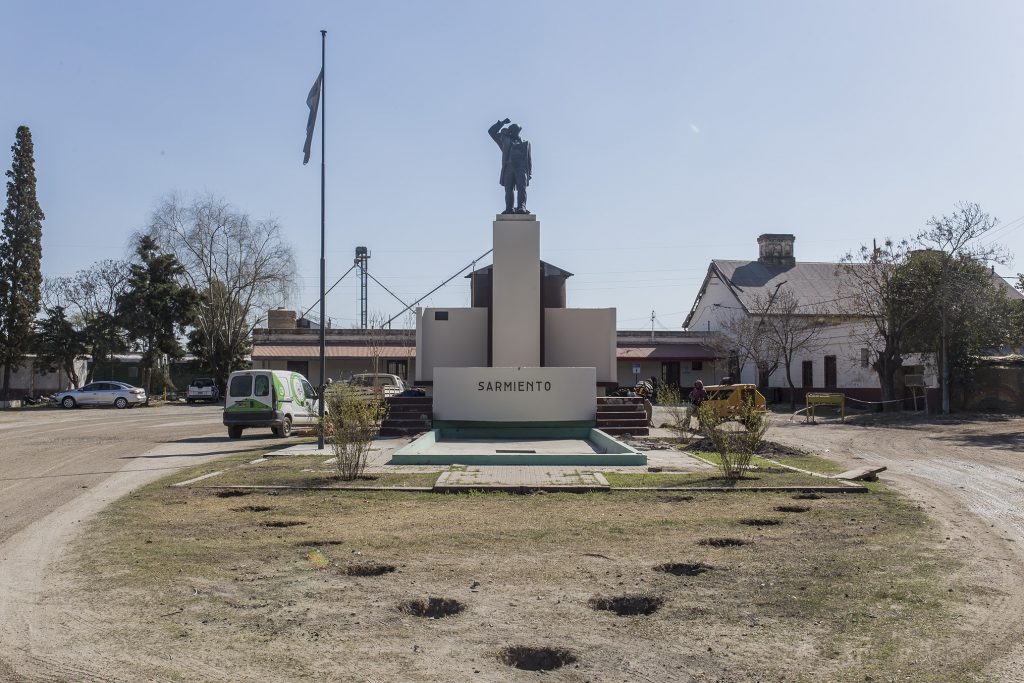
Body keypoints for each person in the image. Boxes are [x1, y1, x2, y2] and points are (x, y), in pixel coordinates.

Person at [487, 118, 532, 214]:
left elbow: (529, 159)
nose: (510, 131)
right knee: (508, 189)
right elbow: (491, 132)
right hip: (508, 167)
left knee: (522, 188)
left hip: (521, 169)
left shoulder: (526, 143)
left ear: (517, 131)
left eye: (513, 130)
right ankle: (509, 208)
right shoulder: (503, 140)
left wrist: (530, 173)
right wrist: (502, 123)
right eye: (510, 129)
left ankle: (521, 207)